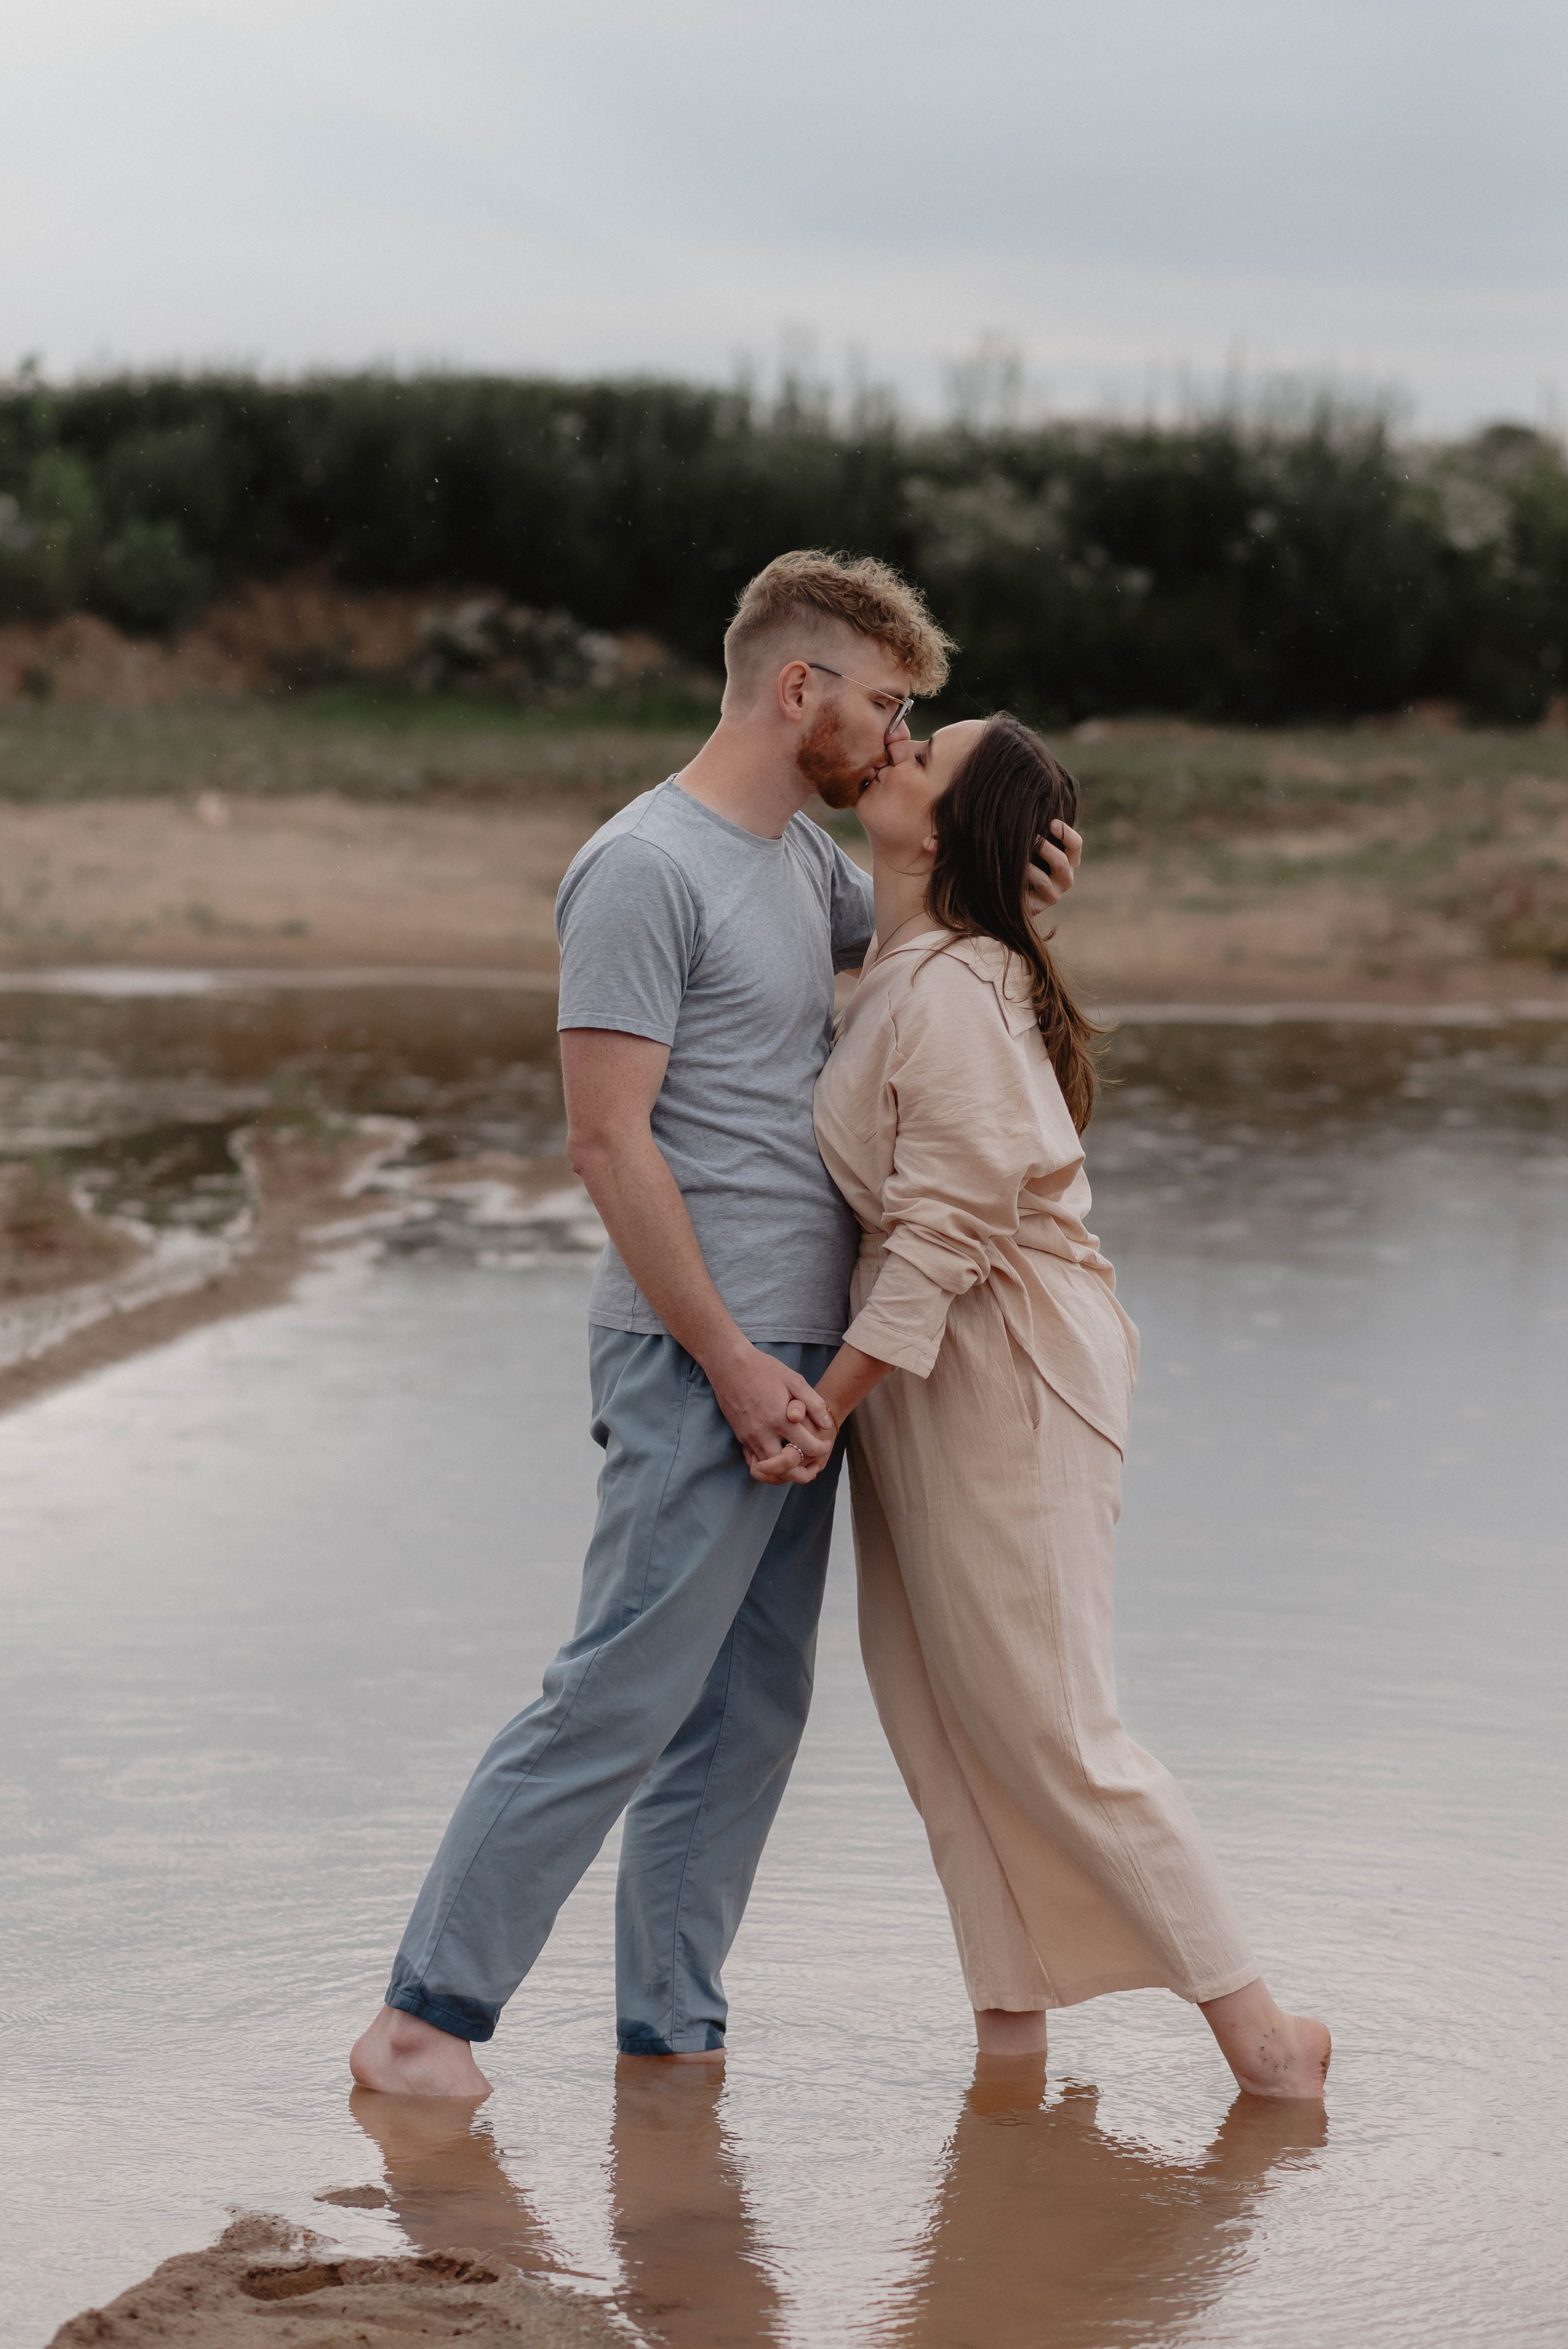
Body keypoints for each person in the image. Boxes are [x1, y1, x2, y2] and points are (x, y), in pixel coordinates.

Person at [350, 555, 1080, 2095]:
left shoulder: (801, 869)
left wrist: (1008, 887)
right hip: (703, 1360)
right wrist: (736, 1363)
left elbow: (913, 981)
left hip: (799, 1374)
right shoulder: (642, 868)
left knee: (745, 1714)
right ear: (795, 687)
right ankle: (424, 2017)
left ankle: (668, 2036)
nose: (895, 741)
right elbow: (607, 1143)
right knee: (617, 1690)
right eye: (887, 706)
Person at [754, 714, 1331, 2100]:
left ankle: (1263, 2043)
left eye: (922, 753)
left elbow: (944, 1235)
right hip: (924, 1379)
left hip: (1003, 1369)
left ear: (948, 828)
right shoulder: (910, 961)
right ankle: (1009, 2039)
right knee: (939, 1717)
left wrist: (820, 1404)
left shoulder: (958, 985)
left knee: (1048, 1721)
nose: (889, 750)